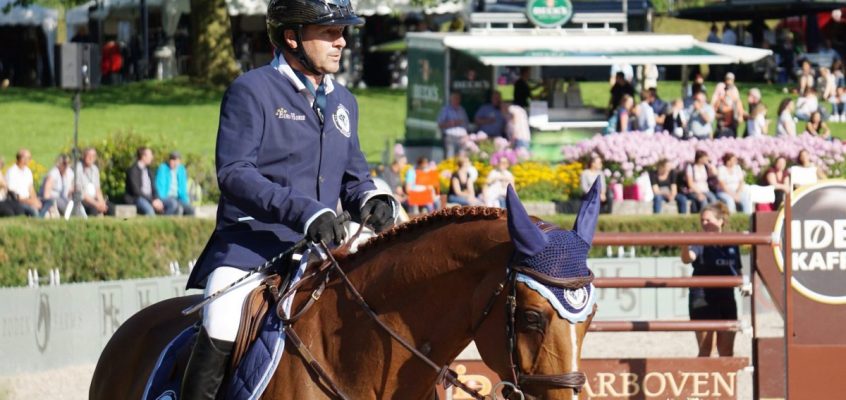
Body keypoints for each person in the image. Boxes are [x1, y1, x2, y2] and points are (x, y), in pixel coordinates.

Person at [180, 0, 399, 398]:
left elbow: (354, 177)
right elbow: (234, 173)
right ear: (291, 36)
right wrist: (306, 212)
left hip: (323, 249)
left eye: (342, 32)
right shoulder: (252, 90)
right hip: (252, 247)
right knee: (223, 317)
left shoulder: (344, 101)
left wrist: (372, 199)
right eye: (330, 33)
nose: (342, 42)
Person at [681, 202, 742, 357]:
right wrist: (683, 245)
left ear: (721, 221)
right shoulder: (699, 240)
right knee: (706, 348)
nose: (704, 223)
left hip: (726, 297)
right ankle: (703, 381)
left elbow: (737, 269)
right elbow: (688, 258)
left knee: (727, 350)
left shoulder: (732, 242)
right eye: (702, 220)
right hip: (702, 297)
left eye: (708, 220)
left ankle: (727, 381)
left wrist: (743, 284)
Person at [125, 147, 164, 216]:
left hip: (150, 198)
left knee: (172, 204)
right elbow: (136, 191)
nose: (152, 157)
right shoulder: (133, 170)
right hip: (136, 199)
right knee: (150, 211)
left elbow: (154, 188)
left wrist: (157, 199)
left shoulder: (149, 170)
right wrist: (152, 200)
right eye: (150, 155)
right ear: (143, 157)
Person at [155, 151, 195, 216]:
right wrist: (159, 199)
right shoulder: (163, 168)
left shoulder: (181, 170)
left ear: (179, 161)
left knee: (190, 210)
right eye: (172, 160)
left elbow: (183, 188)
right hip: (165, 196)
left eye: (176, 161)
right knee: (175, 206)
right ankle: (165, 221)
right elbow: (159, 186)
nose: (174, 163)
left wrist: (186, 200)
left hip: (178, 198)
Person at [4, 149, 41, 216]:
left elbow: (31, 189)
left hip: (28, 199)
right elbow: (13, 195)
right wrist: (30, 202)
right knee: (33, 211)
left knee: (49, 202)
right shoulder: (12, 172)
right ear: (22, 159)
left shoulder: (28, 171)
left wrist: (35, 200)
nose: (30, 160)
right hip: (18, 202)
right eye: (29, 158)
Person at [76, 147, 110, 217]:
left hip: (94, 199)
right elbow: (81, 193)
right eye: (89, 155)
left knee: (110, 209)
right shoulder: (77, 169)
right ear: (84, 156)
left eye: (93, 156)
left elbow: (97, 189)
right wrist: (96, 204)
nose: (91, 158)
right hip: (83, 200)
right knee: (94, 210)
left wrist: (101, 203)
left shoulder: (95, 169)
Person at [710, 72, 744, 138]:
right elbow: (714, 105)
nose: (729, 81)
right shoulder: (720, 89)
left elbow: (738, 103)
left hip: (731, 121)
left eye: (730, 80)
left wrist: (740, 115)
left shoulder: (735, 92)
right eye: (727, 79)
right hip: (722, 121)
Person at [437, 92, 470, 159]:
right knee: (450, 156)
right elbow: (440, 124)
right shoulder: (446, 110)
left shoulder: (462, 110)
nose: (456, 100)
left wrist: (466, 135)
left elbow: (466, 124)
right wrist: (452, 123)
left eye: (458, 98)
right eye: (454, 98)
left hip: (462, 137)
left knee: (461, 157)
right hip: (450, 137)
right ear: (451, 100)